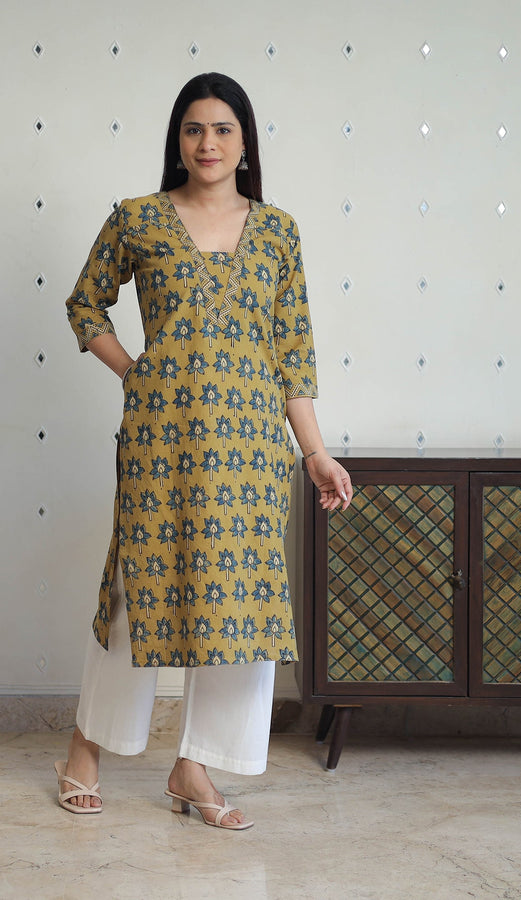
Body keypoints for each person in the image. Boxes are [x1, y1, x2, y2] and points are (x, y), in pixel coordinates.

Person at [59, 72, 352, 829]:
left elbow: (293, 353)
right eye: (194, 129)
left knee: (240, 604)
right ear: (178, 140)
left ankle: (196, 767)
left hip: (250, 449)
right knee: (138, 587)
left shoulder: (278, 231)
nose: (208, 143)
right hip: (163, 439)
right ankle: (86, 748)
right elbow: (84, 303)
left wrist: (315, 452)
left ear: (245, 142)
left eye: (223, 129)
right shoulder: (139, 219)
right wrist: (135, 373)